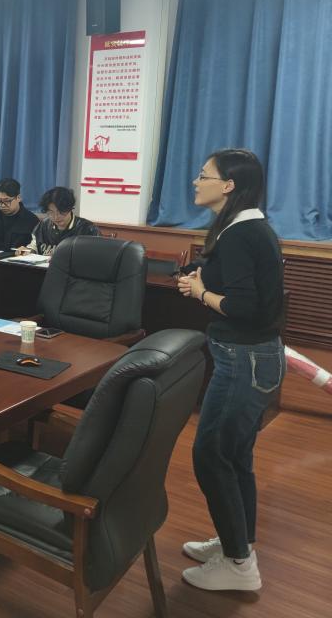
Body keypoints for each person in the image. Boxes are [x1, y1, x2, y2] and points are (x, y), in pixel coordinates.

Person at [176, 149, 284, 593]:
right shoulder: (245, 228)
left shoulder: (241, 233)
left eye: (203, 176)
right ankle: (236, 544)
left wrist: (201, 293)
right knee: (235, 458)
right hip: (251, 358)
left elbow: (246, 307)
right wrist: (202, 276)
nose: (195, 181)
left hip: (244, 360)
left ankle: (239, 564)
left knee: (211, 455)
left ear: (228, 186)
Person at [18, 187, 99, 256]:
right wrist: (27, 251)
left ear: (70, 208)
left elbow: (94, 257)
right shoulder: (44, 225)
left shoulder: (87, 229)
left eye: (61, 212)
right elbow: (34, 246)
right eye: (51, 212)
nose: (56, 217)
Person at [0, 178, 40, 251]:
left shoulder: (31, 221)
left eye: (7, 201)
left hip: (16, 257)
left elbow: (34, 248)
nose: (2, 205)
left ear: (18, 198)